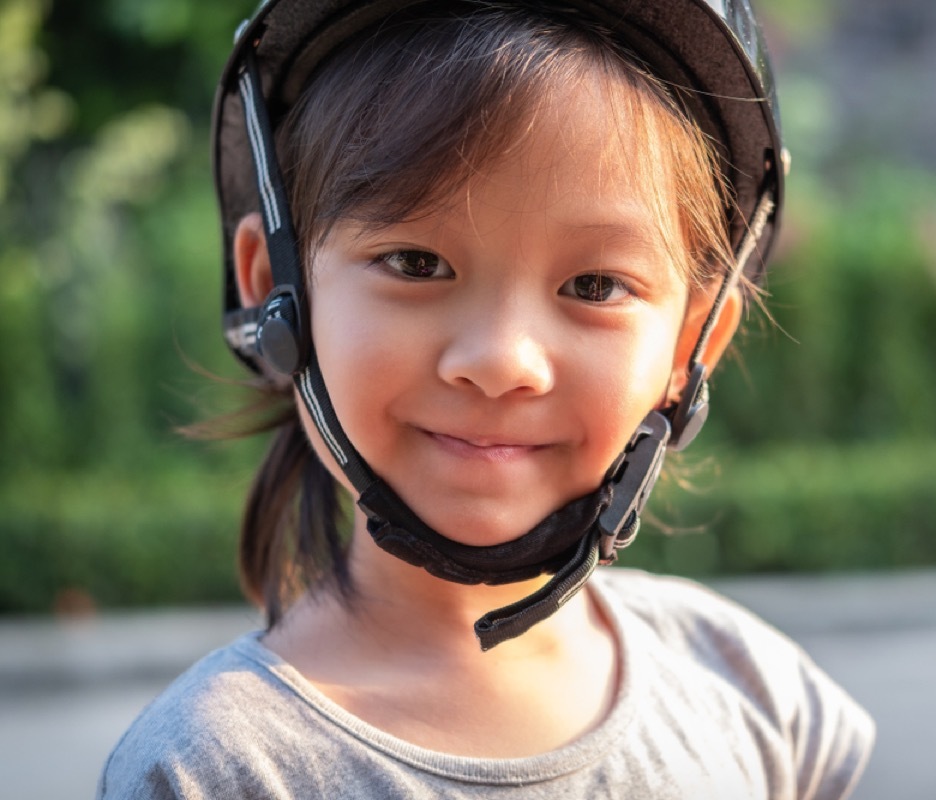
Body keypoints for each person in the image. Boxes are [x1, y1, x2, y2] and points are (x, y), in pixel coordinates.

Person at [98, 0, 874, 797]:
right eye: (415, 263)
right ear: (275, 291)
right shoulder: (214, 769)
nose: (501, 362)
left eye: (594, 285)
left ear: (690, 347)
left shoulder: (756, 700)